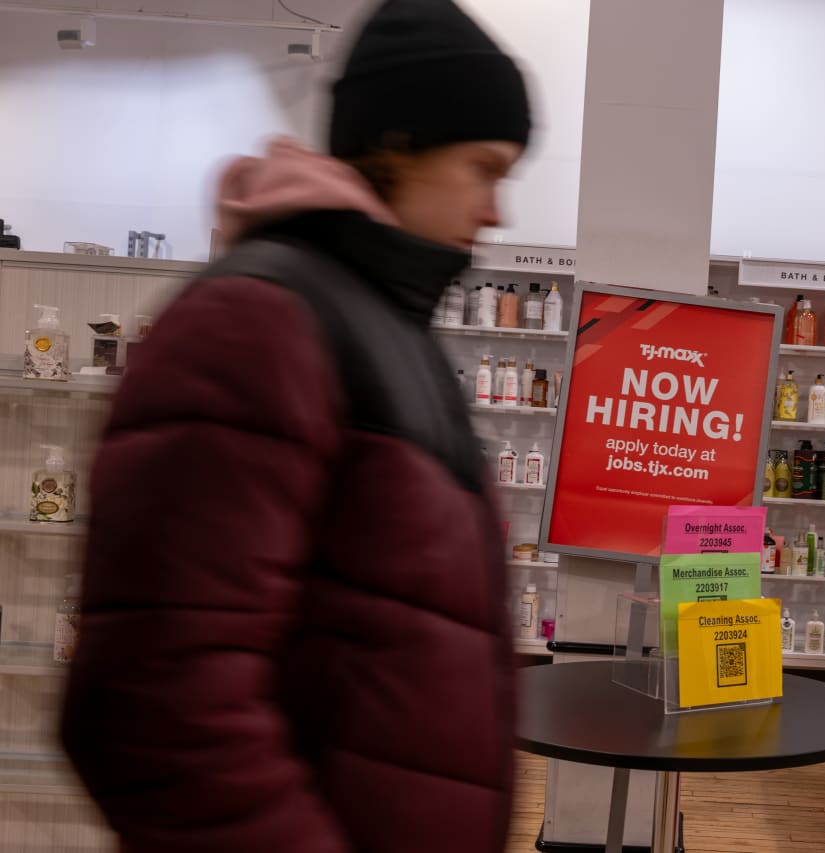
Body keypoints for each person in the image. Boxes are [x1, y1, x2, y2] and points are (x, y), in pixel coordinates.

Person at [59, 2, 530, 851]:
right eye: (483, 167)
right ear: (396, 144)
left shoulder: (378, 324)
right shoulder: (257, 324)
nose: (498, 211)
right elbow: (156, 701)